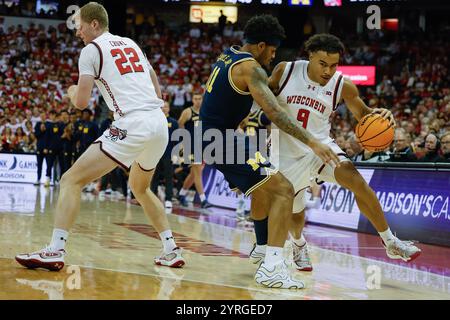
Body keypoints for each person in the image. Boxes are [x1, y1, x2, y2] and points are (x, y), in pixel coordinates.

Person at [16, 2, 185, 271]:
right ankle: (171, 249)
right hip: (158, 123)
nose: (77, 32)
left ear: (94, 24)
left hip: (133, 123)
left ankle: (56, 249)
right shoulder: (130, 43)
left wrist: (71, 91)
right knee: (140, 188)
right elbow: (154, 80)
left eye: (80, 26)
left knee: (70, 180)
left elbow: (82, 102)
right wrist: (155, 103)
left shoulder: (90, 50)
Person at [249, 33, 421, 272]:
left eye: (333, 65)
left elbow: (364, 115)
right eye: (322, 64)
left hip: (322, 148)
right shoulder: (284, 71)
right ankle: (298, 243)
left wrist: (380, 114)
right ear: (310, 56)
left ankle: (390, 241)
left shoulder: (342, 85)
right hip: (285, 151)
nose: (328, 71)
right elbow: (261, 98)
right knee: (295, 213)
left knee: (356, 181)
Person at [199, 15, 340, 289]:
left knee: (264, 188)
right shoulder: (251, 69)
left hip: (213, 137)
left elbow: (231, 103)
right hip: (221, 140)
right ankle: (272, 268)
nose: (274, 56)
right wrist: (313, 141)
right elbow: (274, 111)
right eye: (272, 50)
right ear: (261, 45)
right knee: (283, 190)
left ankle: (263, 250)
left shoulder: (228, 55)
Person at [177, 92, 211, 208]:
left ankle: (181, 194)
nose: (198, 101)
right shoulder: (188, 112)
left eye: (199, 98)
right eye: (195, 98)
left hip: (202, 146)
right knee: (197, 171)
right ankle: (203, 200)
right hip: (191, 145)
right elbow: (180, 124)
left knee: (194, 173)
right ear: (192, 100)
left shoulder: (206, 111)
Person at [151, 101, 179, 210]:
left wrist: (175, 155)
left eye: (166, 107)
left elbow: (177, 140)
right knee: (154, 177)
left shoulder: (174, 122)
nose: (164, 108)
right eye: (162, 107)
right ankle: (152, 198)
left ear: (169, 109)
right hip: (156, 154)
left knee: (169, 178)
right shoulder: (155, 122)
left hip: (169, 154)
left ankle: (168, 199)